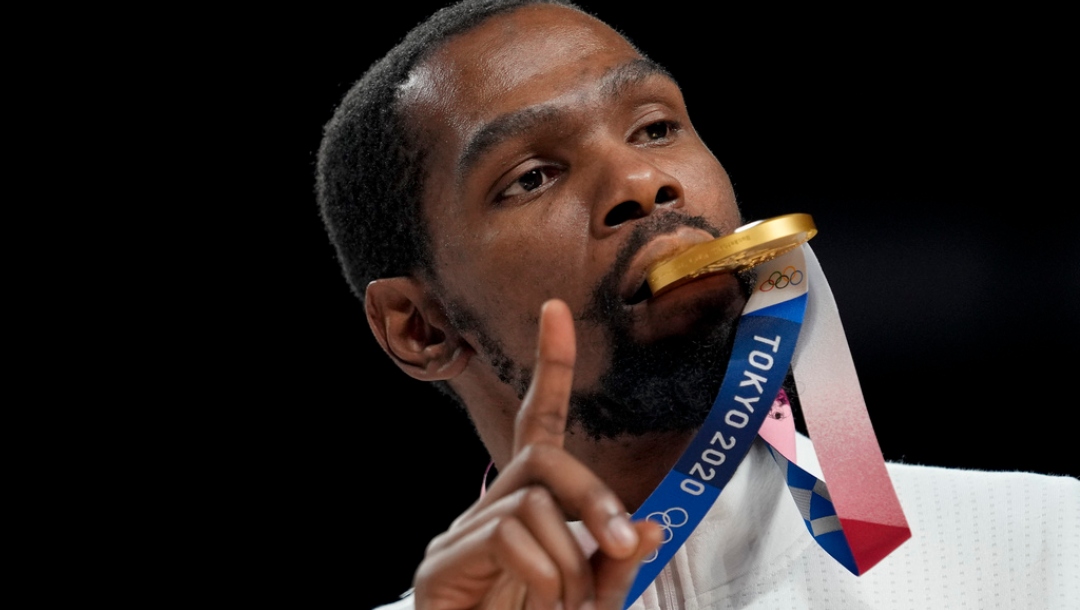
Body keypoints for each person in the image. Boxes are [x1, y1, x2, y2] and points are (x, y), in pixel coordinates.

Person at [314, 1, 1080, 608]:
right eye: (533, 176)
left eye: (655, 127)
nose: (644, 185)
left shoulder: (1048, 549)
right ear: (420, 328)